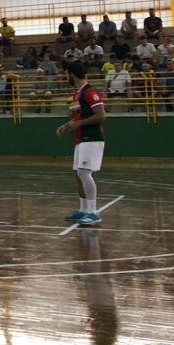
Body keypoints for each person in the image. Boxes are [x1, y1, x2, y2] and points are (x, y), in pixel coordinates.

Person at [57, 62, 106, 226]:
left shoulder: (90, 91)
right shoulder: (77, 95)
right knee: (78, 174)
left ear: (71, 74)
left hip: (91, 138)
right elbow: (78, 117)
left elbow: (101, 115)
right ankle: (84, 210)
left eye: (66, 74)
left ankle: (93, 212)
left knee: (85, 173)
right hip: (81, 139)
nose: (65, 77)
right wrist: (67, 125)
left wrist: (78, 124)